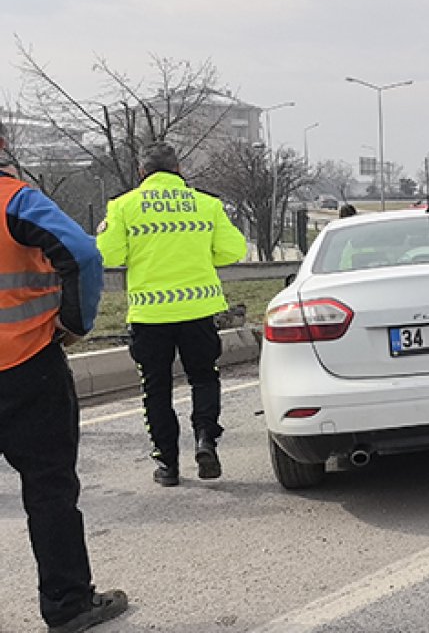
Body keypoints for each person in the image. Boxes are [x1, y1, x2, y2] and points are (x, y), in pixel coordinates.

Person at [0, 122, 128, 630]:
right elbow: (82, 252)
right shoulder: (15, 201)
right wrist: (73, 325)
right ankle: (67, 604)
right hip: (26, 367)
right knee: (49, 489)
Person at [97, 142, 247, 486]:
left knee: (156, 390)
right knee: (204, 379)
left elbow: (107, 255)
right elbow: (232, 249)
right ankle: (205, 440)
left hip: (150, 317)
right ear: (179, 169)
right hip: (199, 312)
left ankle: (168, 465)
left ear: (141, 173)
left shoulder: (123, 206)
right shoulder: (206, 205)